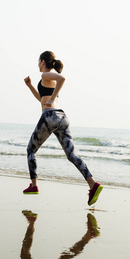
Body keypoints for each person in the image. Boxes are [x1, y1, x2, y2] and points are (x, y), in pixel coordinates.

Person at [23, 51, 103, 206]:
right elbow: (41, 99)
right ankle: (93, 184)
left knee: (30, 150)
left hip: (49, 116)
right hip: (62, 118)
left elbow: (62, 78)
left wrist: (52, 98)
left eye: (38, 61)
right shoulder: (47, 79)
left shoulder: (46, 75)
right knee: (72, 155)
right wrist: (30, 86)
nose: (37, 64)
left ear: (43, 62)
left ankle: (33, 185)